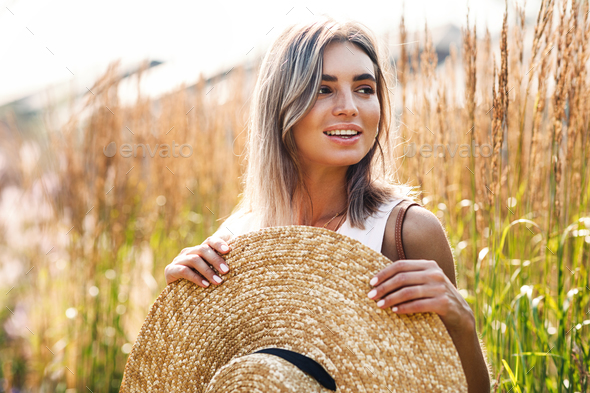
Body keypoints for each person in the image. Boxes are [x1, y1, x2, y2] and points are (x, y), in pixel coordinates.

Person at [164, 15, 491, 392]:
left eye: (365, 89)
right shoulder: (235, 240)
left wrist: (461, 322)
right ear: (282, 105)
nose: (349, 107)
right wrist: (179, 309)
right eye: (324, 89)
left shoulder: (405, 232)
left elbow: (462, 387)